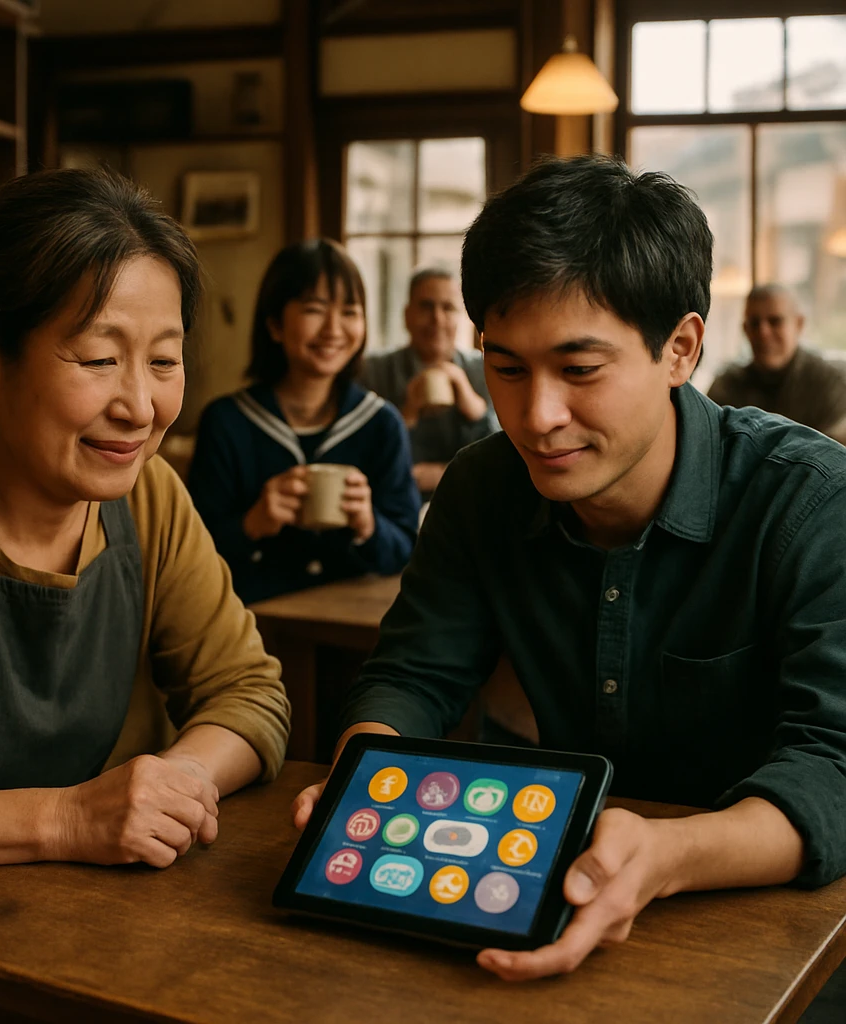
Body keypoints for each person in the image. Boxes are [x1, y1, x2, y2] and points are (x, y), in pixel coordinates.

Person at [291, 157, 846, 982]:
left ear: (681, 349)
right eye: (506, 368)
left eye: (580, 370)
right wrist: (365, 784)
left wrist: (670, 852)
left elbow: (833, 760)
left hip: (774, 932)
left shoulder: (806, 501)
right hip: (533, 891)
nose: (537, 417)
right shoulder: (486, 487)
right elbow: (414, 672)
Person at [0, 169, 291, 882]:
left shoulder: (151, 497)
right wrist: (72, 818)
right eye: (99, 360)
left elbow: (248, 692)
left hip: (102, 930)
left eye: (164, 360)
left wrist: (169, 787)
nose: (140, 405)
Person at [187, 239, 420, 605]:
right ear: (275, 324)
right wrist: (253, 523)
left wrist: (368, 524)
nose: (334, 329)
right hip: (255, 623)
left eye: (350, 311)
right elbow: (188, 556)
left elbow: (408, 551)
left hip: (354, 624)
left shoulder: (381, 423)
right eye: (314, 309)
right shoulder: (228, 421)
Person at [363, 267, 498, 498]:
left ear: (461, 318)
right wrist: (406, 415)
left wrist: (475, 409)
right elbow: (366, 460)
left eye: (448, 308)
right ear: (406, 316)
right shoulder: (374, 370)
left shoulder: (485, 369)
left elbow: (502, 463)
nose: (437, 319)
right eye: (426, 306)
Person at [708, 284, 846, 443]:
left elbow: (835, 455)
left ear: (799, 324)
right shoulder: (727, 385)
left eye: (775, 321)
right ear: (745, 329)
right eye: (754, 323)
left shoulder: (829, 382)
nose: (763, 332)